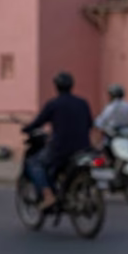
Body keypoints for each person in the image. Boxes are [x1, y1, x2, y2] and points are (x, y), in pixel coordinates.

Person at [23, 72, 93, 209]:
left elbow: (39, 122)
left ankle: (48, 196)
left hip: (60, 148)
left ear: (56, 86)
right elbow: (90, 124)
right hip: (84, 148)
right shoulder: (83, 103)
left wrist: (27, 128)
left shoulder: (53, 104)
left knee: (34, 163)